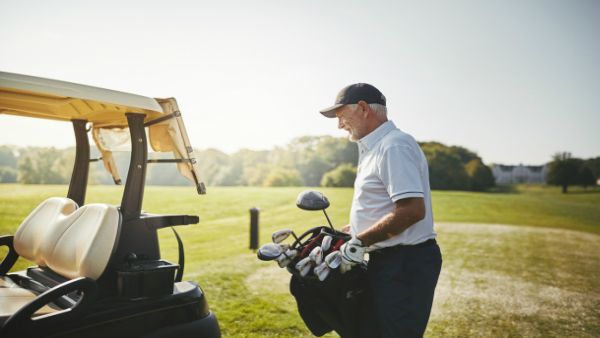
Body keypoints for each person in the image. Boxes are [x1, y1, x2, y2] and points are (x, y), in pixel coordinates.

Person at [319, 83, 442, 338]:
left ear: (363, 109)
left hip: (405, 264)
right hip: (388, 261)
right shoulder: (374, 147)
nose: (339, 125)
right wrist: (359, 229)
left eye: (342, 117)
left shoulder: (394, 145)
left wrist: (360, 241)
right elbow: (385, 204)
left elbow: (411, 211)